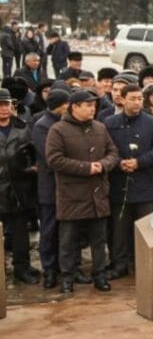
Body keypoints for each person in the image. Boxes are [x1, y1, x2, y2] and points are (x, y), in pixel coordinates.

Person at [45, 90, 119, 293]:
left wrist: (103, 165)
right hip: (72, 195)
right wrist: (86, 168)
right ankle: (67, 278)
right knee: (68, 240)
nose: (92, 109)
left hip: (97, 193)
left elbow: (113, 152)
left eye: (94, 105)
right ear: (74, 107)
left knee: (99, 239)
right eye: (87, 105)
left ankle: (100, 275)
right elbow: (54, 159)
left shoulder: (100, 128)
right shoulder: (58, 130)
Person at [104, 84, 153, 280]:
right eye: (132, 98)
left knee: (148, 228)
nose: (137, 102)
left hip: (145, 183)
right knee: (119, 229)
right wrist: (118, 163)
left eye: (140, 98)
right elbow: (105, 149)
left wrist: (138, 162)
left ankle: (148, 264)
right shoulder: (109, 122)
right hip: (119, 183)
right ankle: (120, 264)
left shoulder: (152, 122)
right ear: (122, 99)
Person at [0, 88, 38, 285]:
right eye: (0, 105)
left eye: (6, 104)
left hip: (20, 188)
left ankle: (21, 267)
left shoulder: (23, 127)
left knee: (20, 233)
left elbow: (33, 152)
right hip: (1, 188)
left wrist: (32, 168)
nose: (3, 109)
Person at [32, 88, 69, 289]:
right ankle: (49, 269)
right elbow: (51, 156)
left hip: (66, 186)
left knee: (66, 229)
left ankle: (66, 267)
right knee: (49, 228)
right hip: (49, 186)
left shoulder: (63, 123)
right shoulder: (42, 126)